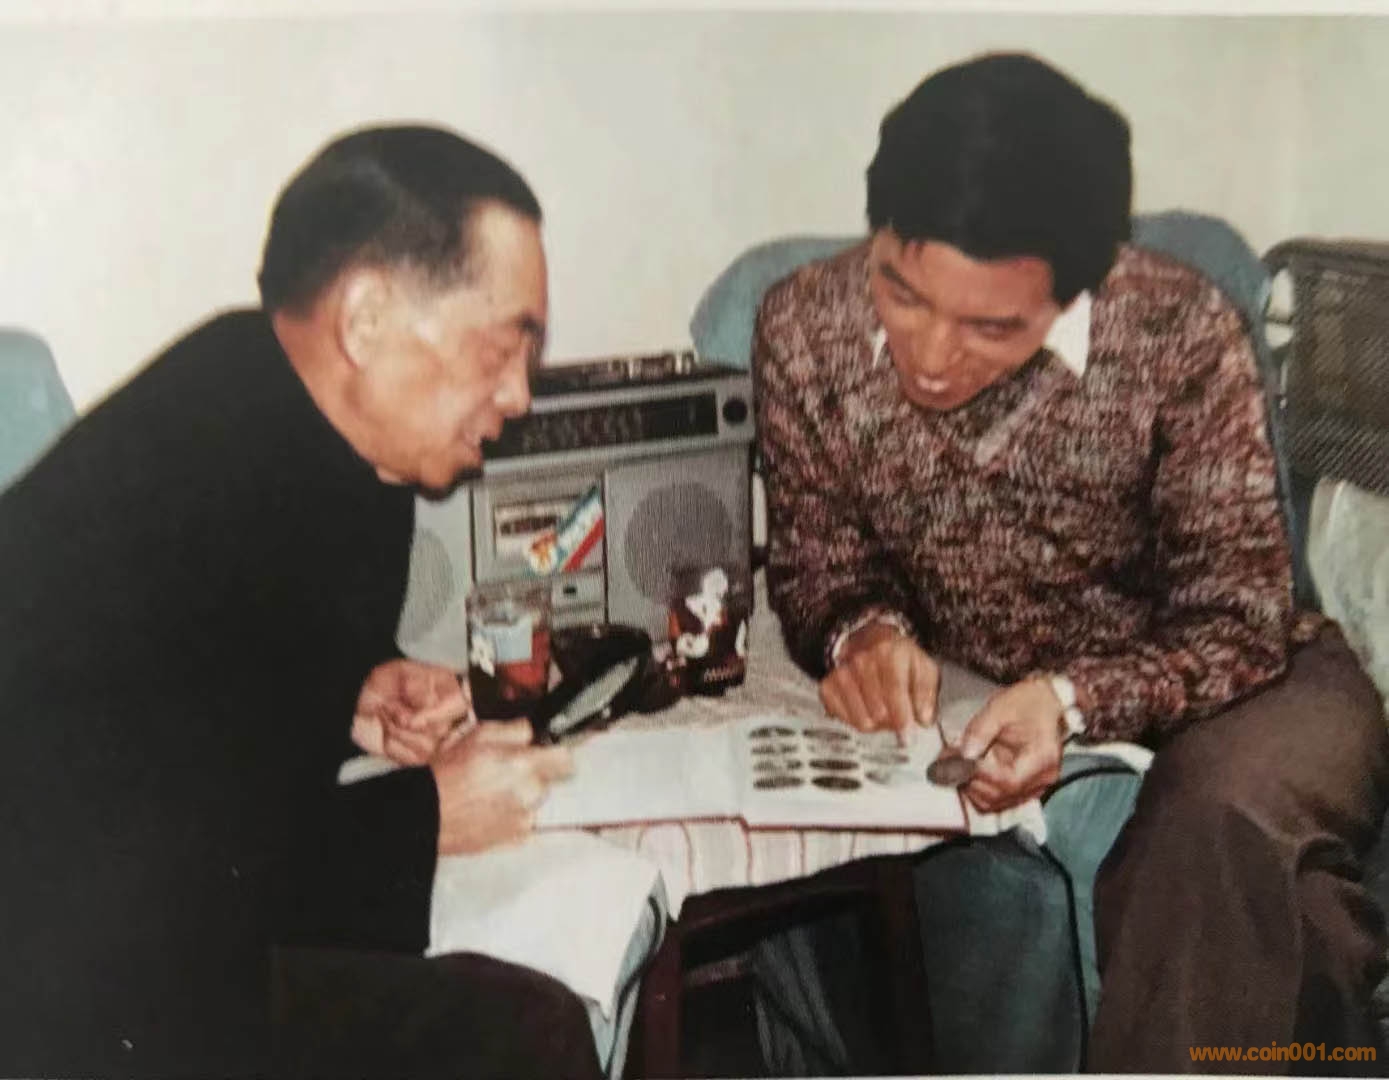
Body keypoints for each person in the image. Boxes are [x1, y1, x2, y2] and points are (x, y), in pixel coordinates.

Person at [753, 52, 1389, 1073]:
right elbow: (819, 560)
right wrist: (861, 632)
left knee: (1210, 833)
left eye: (989, 326)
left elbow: (1240, 618)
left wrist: (1071, 699)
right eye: (902, 294)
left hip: (1261, 679)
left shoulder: (1179, 326)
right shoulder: (802, 326)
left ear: (1078, 287)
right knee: (1298, 921)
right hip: (1012, 683)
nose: (928, 356)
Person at [0, 125, 602, 1078]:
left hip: (130, 951)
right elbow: (156, 873)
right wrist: (427, 820)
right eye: (501, 347)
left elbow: (208, 707)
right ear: (365, 321)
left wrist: (351, 692)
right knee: (529, 1031)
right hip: (62, 993)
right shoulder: (197, 471)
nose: (520, 394)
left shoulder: (294, 408)